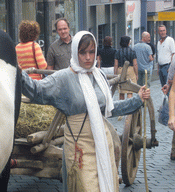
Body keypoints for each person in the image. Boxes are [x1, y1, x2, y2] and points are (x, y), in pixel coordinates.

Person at [21, 31, 150, 191]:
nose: (88, 57)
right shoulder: (63, 78)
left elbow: (110, 109)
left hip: (103, 144)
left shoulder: (99, 76)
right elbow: (36, 91)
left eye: (91, 52)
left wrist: (137, 99)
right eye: (83, 52)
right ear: (75, 52)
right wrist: (16, 71)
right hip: (79, 149)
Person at [114, 36, 138, 100]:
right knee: (130, 90)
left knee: (121, 90)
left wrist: (115, 74)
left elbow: (116, 64)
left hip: (120, 70)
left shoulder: (118, 52)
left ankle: (121, 105)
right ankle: (129, 106)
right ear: (128, 42)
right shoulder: (132, 51)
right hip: (130, 69)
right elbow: (135, 64)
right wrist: (136, 74)